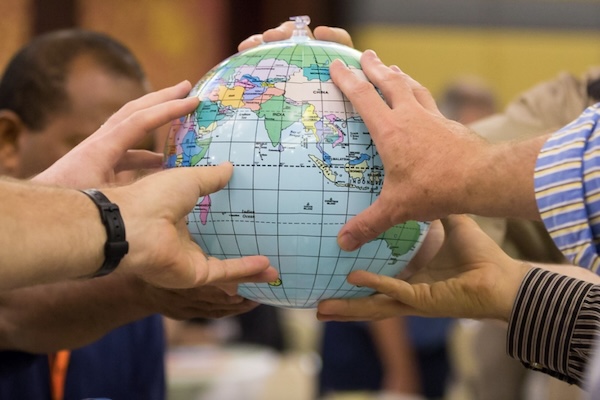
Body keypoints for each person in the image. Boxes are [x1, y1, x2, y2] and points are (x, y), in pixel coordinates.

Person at [0, 30, 277, 399]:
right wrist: (132, 269)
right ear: (8, 139)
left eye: (138, 156)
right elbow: (12, 310)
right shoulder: (134, 278)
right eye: (91, 145)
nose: (128, 185)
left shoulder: (141, 281)